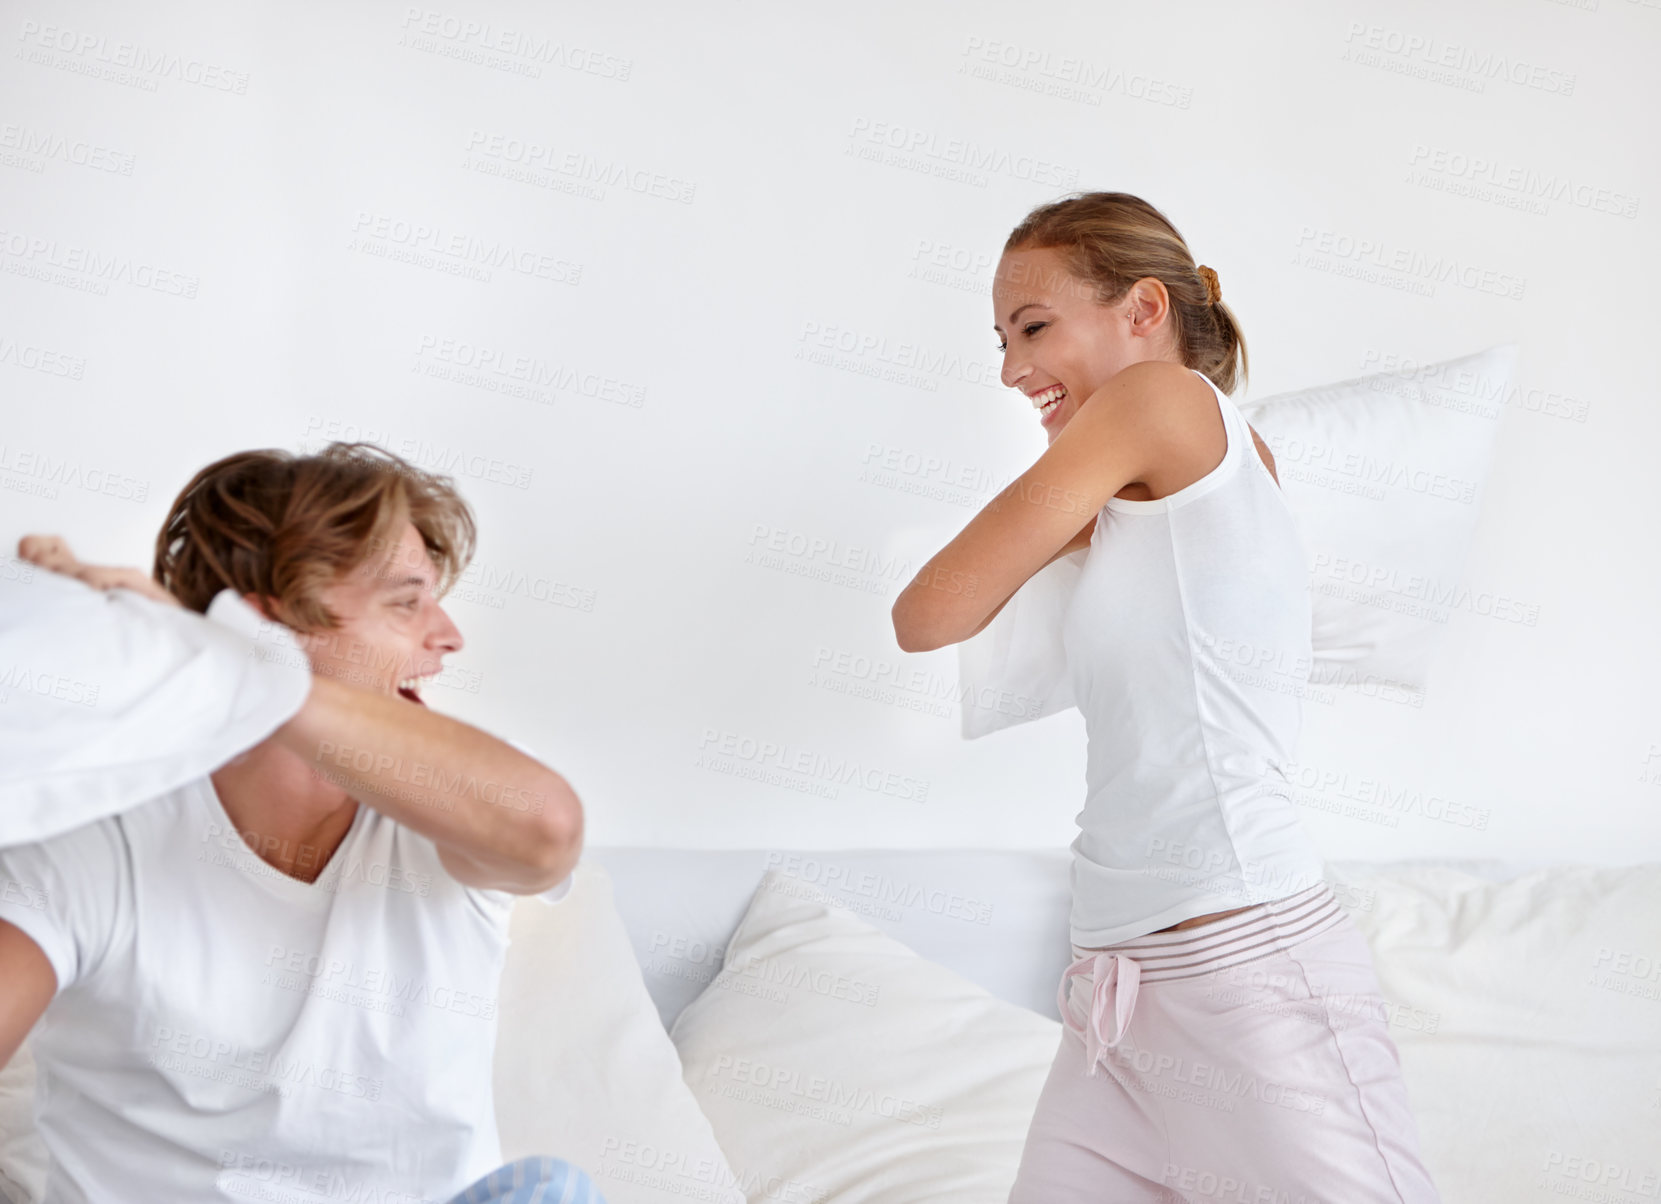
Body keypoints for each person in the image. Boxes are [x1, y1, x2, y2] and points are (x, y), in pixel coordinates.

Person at [892, 192, 1442, 1202]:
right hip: (1117, 991)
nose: (1011, 369)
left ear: (1142, 308)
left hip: (1244, 966)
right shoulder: (1158, 470)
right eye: (1003, 340)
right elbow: (948, 614)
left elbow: (926, 609)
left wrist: (1068, 486)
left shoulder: (1160, 406)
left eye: (1034, 328)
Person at [0, 443, 609, 1204]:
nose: (447, 635)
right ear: (269, 620)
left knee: (548, 1191)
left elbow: (546, 831)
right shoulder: (101, 834)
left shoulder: (455, 809)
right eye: (405, 601)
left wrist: (244, 672)